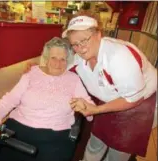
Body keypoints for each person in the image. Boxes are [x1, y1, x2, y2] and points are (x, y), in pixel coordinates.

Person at [0, 37, 94, 161]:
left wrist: (85, 106)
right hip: (17, 130)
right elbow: (11, 99)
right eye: (53, 58)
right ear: (46, 58)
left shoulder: (73, 79)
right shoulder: (31, 73)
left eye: (63, 59)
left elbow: (89, 108)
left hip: (54, 137)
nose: (58, 64)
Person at [61, 14, 157, 161]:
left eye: (84, 40)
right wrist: (37, 69)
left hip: (141, 102)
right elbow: (63, 68)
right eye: (75, 44)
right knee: (96, 141)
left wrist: (96, 109)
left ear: (98, 34)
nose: (80, 48)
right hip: (112, 99)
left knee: (117, 152)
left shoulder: (119, 57)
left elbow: (134, 99)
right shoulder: (80, 57)